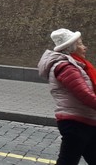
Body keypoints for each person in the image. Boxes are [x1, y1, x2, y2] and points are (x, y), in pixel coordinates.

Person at [38, 28, 96, 164]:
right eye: (81, 44)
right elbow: (85, 95)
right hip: (76, 123)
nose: (84, 47)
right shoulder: (66, 67)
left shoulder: (76, 66)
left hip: (85, 121)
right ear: (72, 48)